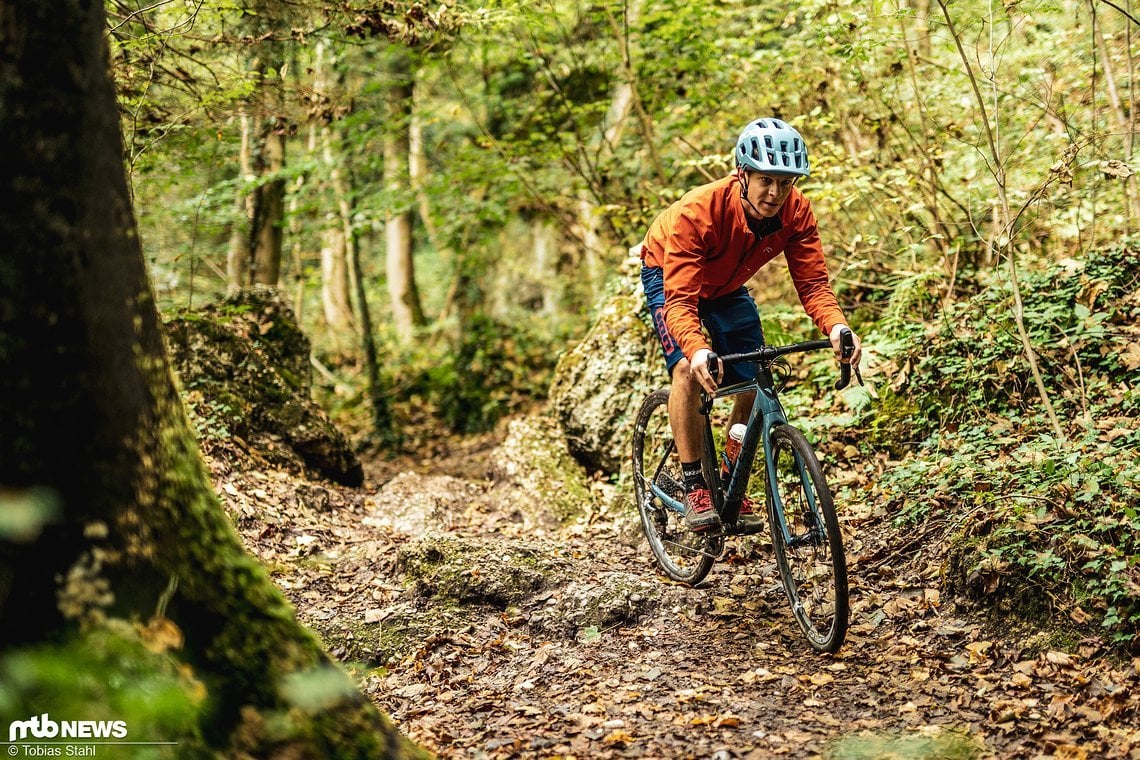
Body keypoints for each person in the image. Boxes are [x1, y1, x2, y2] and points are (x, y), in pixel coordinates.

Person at [637, 117, 862, 533]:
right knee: (687, 368)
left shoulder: (796, 213)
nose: (775, 193)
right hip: (667, 271)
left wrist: (836, 326)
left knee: (756, 372)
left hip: (727, 284)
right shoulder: (698, 212)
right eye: (765, 180)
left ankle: (728, 473)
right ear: (742, 174)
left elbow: (812, 283)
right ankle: (694, 486)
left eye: (785, 182)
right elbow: (682, 302)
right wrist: (699, 348)